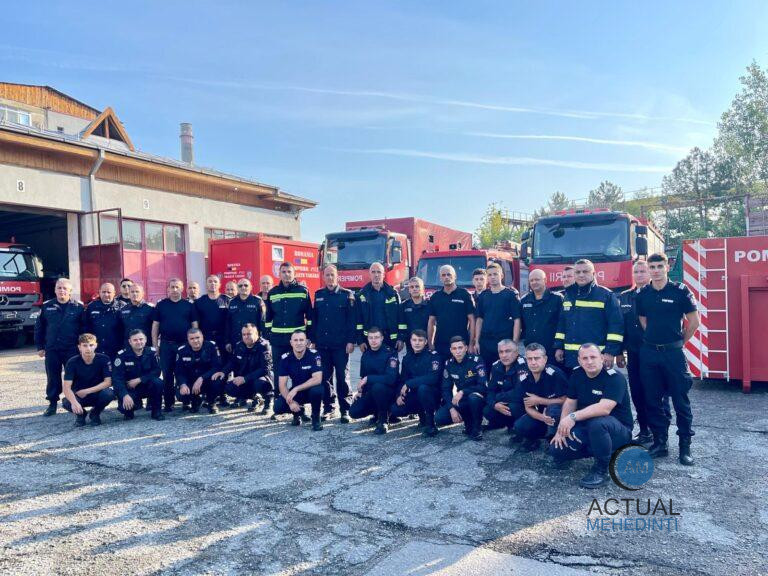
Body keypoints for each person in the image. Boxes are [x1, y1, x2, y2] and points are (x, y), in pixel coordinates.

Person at [637, 252, 700, 466]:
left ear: (667, 267)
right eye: (652, 267)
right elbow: (644, 321)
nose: (655, 271)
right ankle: (660, 443)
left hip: (673, 354)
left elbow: (694, 322)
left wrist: (678, 342)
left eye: (659, 266)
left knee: (680, 401)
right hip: (649, 353)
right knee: (653, 401)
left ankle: (685, 447)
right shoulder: (643, 294)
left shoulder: (680, 291)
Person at [548, 343, 633, 489]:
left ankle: (602, 469)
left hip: (617, 431)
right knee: (557, 450)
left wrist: (572, 417)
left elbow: (604, 408)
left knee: (598, 423)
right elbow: (570, 402)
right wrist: (561, 428)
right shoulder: (577, 374)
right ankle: (598, 448)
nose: (589, 361)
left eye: (593, 357)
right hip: (588, 425)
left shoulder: (615, 378)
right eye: (585, 358)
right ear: (579, 361)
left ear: (602, 358)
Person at [617, 260, 670, 445]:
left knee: (657, 394)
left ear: (649, 273)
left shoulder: (655, 295)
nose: (639, 275)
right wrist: (618, 352)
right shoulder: (624, 297)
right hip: (634, 354)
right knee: (637, 392)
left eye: (643, 271)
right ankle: (645, 430)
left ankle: (661, 434)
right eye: (636, 272)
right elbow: (620, 327)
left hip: (655, 353)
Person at [553, 259, 623, 371]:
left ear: (593, 274)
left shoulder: (606, 295)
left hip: (596, 357)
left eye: (585, 271)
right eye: (578, 272)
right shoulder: (569, 295)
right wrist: (559, 347)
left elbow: (616, 326)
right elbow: (562, 324)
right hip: (571, 357)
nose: (581, 275)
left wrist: (610, 351)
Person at [310, 265, 356, 422]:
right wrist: (313, 340)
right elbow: (314, 320)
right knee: (325, 378)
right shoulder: (319, 295)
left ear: (338, 277)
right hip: (323, 345)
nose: (330, 278)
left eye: (332, 275)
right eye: (327, 275)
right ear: (323, 277)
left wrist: (351, 341)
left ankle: (345, 409)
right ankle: (329, 408)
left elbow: (352, 321)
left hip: (340, 345)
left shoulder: (347, 295)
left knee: (342, 377)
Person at [34, 278, 85, 416]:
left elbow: (84, 328)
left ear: (70, 291)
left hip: (72, 349)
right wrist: (40, 346)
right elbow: (39, 328)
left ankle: (76, 401)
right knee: (52, 377)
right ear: (55, 290)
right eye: (59, 288)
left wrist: (83, 347)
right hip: (52, 349)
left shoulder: (78, 307)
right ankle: (52, 403)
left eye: (65, 288)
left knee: (74, 376)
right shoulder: (46, 306)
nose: (62, 290)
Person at [151, 278, 199, 412]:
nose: (174, 289)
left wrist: (195, 343)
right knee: (167, 374)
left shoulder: (189, 305)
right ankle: (168, 403)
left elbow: (195, 326)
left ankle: (186, 401)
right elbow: (155, 326)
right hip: (166, 345)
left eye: (177, 287)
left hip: (185, 345)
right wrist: (155, 346)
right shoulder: (161, 305)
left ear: (182, 289)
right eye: (172, 287)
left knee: (186, 372)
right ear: (168, 289)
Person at [512, 343, 568, 452]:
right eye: (530, 359)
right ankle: (533, 440)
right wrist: (542, 418)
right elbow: (528, 407)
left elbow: (567, 400)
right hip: (541, 415)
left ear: (545, 359)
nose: (533, 362)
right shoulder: (524, 377)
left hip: (559, 415)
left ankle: (554, 440)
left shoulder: (555, 374)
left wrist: (539, 400)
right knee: (520, 426)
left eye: (537, 358)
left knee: (553, 409)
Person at [265, 262, 312, 387]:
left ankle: (299, 396)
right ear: (279, 274)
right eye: (284, 272)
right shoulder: (273, 293)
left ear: (294, 274)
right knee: (278, 370)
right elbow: (268, 318)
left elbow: (310, 317)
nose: (286, 274)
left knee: (300, 370)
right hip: (278, 340)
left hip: (297, 340)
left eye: (289, 272)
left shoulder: (303, 291)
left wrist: (308, 336)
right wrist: (269, 336)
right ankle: (279, 396)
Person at [390, 330, 442, 437]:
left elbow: (433, 378)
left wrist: (409, 383)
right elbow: (402, 380)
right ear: (410, 341)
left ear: (426, 342)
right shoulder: (407, 358)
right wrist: (399, 395)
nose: (417, 343)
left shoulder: (433, 356)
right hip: (415, 394)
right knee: (396, 409)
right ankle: (422, 418)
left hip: (432, 395)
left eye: (420, 340)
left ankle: (431, 424)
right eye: (414, 340)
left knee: (423, 388)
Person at [348, 327, 400, 434]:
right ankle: (377, 413)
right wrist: (360, 392)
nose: (373, 340)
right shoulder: (365, 355)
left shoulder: (390, 353)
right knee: (354, 412)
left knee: (378, 387)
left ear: (382, 338)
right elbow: (363, 377)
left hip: (390, 392)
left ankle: (383, 420)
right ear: (367, 339)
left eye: (376, 337)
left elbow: (391, 379)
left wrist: (369, 378)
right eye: (370, 338)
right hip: (373, 392)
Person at [434, 336, 487, 441]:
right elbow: (445, 389)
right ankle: (468, 423)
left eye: (460, 348)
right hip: (462, 400)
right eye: (454, 348)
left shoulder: (476, 361)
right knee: (439, 418)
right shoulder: (449, 364)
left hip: (479, 398)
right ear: (451, 350)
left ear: (466, 348)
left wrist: (463, 391)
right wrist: (451, 408)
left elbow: (483, 386)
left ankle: (477, 427)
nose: (457, 351)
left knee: (473, 398)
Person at [273, 330, 324, 431]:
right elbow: (282, 385)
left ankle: (316, 418)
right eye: (295, 340)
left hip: (310, 390)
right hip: (297, 393)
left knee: (317, 390)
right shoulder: (285, 358)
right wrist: (291, 402)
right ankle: (297, 413)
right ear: (291, 343)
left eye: (301, 340)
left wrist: (295, 389)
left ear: (306, 342)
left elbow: (317, 379)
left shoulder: (314, 355)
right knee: (278, 407)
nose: (298, 343)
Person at [61, 333, 115, 427]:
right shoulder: (72, 362)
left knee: (109, 394)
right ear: (79, 347)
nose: (88, 348)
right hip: (79, 395)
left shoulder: (104, 359)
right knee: (66, 402)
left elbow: (108, 382)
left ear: (96, 345)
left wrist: (87, 391)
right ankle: (81, 415)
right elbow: (66, 387)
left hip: (97, 394)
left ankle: (95, 413)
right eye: (85, 345)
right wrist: (74, 403)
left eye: (91, 345)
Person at [474, 263, 521, 368]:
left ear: (502, 275)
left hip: (504, 342)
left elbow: (517, 320)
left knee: (505, 372)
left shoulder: (510, 295)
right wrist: (476, 341)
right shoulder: (483, 296)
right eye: (489, 275)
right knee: (485, 372)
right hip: (485, 342)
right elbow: (479, 320)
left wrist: (514, 343)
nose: (492, 277)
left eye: (495, 274)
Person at [194, 275, 231, 406]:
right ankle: (207, 394)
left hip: (223, 338)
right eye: (210, 281)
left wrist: (228, 340)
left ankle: (223, 394)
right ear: (206, 284)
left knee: (224, 364)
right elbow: (195, 323)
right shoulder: (200, 302)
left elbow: (231, 321)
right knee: (207, 365)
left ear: (219, 284)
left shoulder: (226, 300)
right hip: (206, 338)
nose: (213, 284)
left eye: (215, 281)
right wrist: (198, 339)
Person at [113, 329, 164, 421]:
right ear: (130, 341)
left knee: (158, 382)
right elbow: (117, 378)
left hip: (147, 386)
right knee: (124, 408)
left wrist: (140, 379)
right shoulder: (122, 355)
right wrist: (124, 395)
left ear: (145, 340)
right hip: (130, 389)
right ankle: (130, 410)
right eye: (135, 340)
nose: (138, 342)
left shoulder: (151, 353)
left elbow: (156, 371)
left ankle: (156, 411)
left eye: (141, 339)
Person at [221, 323, 273, 413]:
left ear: (256, 334)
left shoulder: (264, 346)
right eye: (244, 334)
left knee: (260, 383)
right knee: (230, 387)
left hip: (263, 378)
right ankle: (255, 398)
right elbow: (233, 362)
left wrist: (245, 379)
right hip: (247, 378)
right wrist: (223, 372)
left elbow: (265, 369)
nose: (246, 337)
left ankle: (268, 402)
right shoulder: (239, 345)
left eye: (249, 334)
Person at [427, 265, 475, 359]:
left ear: (455, 276)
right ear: (440, 278)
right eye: (443, 275)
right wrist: (430, 343)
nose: (446, 277)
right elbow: (431, 322)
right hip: (440, 345)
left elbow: (472, 320)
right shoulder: (435, 297)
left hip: (460, 345)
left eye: (449, 274)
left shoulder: (465, 295)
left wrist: (471, 344)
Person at [175, 328, 225, 414]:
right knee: (181, 394)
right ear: (188, 340)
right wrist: (183, 384)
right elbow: (179, 371)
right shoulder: (182, 350)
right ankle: (195, 401)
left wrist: (201, 378)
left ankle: (211, 402)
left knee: (218, 380)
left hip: (207, 380)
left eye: (197, 337)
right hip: (191, 381)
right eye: (192, 338)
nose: (195, 341)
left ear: (202, 337)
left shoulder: (211, 346)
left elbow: (216, 367)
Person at [483, 339, 528, 433]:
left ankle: (518, 427)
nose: (504, 355)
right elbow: (490, 390)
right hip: (504, 401)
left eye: (508, 351)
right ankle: (503, 424)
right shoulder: (496, 366)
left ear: (516, 352)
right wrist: (494, 404)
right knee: (487, 410)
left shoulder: (523, 365)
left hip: (520, 404)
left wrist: (497, 397)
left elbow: (519, 393)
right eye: (501, 352)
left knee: (513, 407)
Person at [355, 262, 401, 351]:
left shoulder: (393, 294)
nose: (376, 275)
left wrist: (400, 338)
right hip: (369, 341)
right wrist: (360, 340)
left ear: (383, 275)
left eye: (379, 272)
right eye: (373, 272)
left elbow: (400, 318)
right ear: (369, 274)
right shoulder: (361, 295)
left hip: (390, 340)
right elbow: (358, 320)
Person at [520, 269, 563, 360]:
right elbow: (522, 325)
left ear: (545, 280)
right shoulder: (524, 300)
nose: (534, 282)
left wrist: (559, 347)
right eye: (531, 280)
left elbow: (562, 325)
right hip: (531, 350)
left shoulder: (557, 299)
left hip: (551, 350)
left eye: (537, 279)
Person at [84, 282, 125, 361]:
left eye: (109, 292)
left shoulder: (122, 306)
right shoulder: (91, 306)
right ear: (99, 292)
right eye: (103, 292)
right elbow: (86, 327)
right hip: (96, 350)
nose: (106, 294)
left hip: (116, 350)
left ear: (114, 293)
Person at [225, 278, 265, 353]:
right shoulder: (231, 302)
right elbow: (228, 323)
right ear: (237, 288)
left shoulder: (257, 301)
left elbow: (262, 322)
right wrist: (227, 341)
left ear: (251, 287)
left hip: (253, 341)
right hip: (235, 340)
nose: (243, 287)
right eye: (240, 286)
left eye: (246, 285)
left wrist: (261, 340)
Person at [397, 277, 430, 352]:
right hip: (410, 344)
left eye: (417, 286)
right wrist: (401, 339)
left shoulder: (430, 305)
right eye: (412, 287)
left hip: (427, 344)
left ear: (422, 289)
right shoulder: (404, 306)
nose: (414, 289)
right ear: (409, 290)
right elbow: (402, 325)